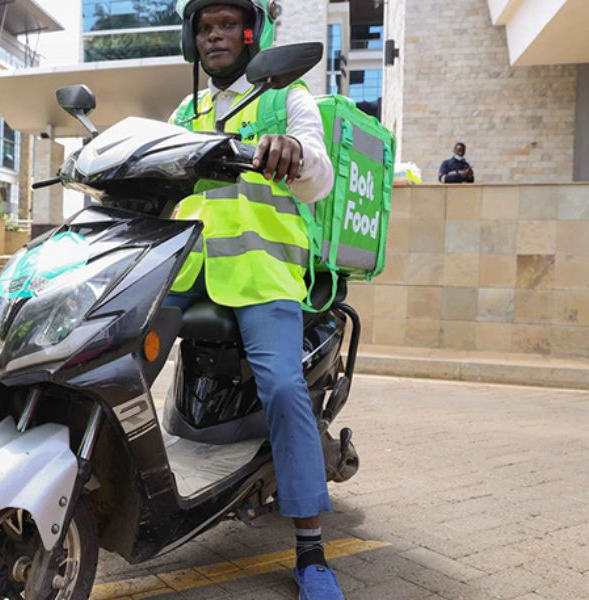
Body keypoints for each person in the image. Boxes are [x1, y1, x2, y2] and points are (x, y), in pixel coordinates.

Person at [167, 1, 342, 598]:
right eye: (204, 27)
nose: (214, 36)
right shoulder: (186, 111)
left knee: (284, 387)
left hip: (262, 274)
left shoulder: (287, 99)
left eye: (225, 26)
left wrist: (293, 152)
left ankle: (311, 548)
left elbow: (319, 173)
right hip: (184, 270)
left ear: (251, 34)